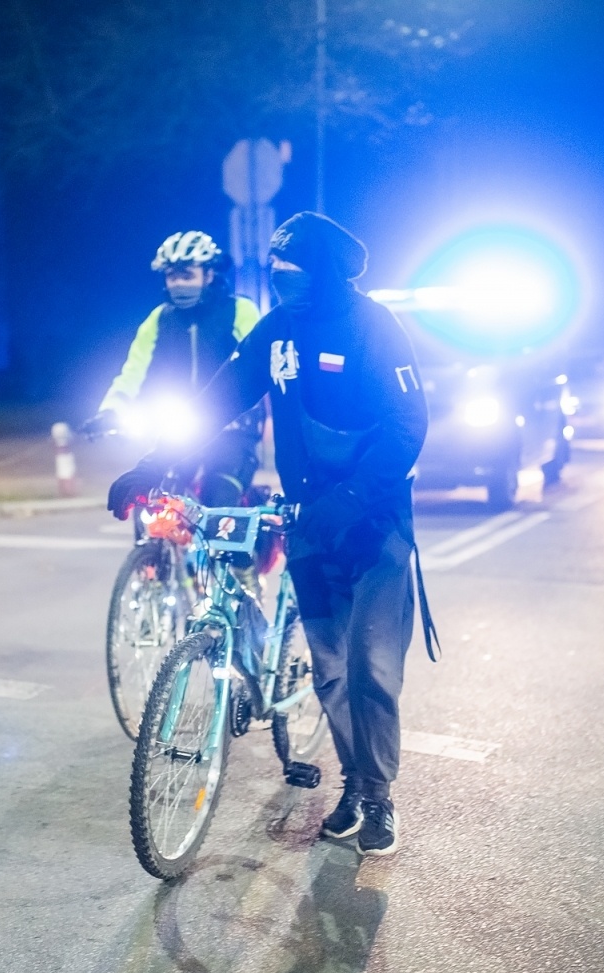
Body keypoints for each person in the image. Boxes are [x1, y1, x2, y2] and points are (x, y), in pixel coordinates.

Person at [109, 213, 432, 858]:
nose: (282, 280)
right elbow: (215, 399)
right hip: (306, 522)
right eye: (275, 270)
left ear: (325, 271)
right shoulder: (277, 329)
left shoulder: (373, 327)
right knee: (332, 669)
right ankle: (354, 785)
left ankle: (379, 796)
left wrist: (350, 499)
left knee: (371, 667)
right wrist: (152, 465)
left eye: (293, 270)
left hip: (373, 524)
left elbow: (408, 424)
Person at [84, 231, 264, 507]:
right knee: (151, 495)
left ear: (209, 274)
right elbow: (133, 371)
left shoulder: (240, 310)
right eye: (172, 276)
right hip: (180, 427)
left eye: (187, 275)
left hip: (232, 426)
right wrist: (111, 411)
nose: (179, 284)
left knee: (218, 503)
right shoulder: (158, 319)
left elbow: (259, 363)